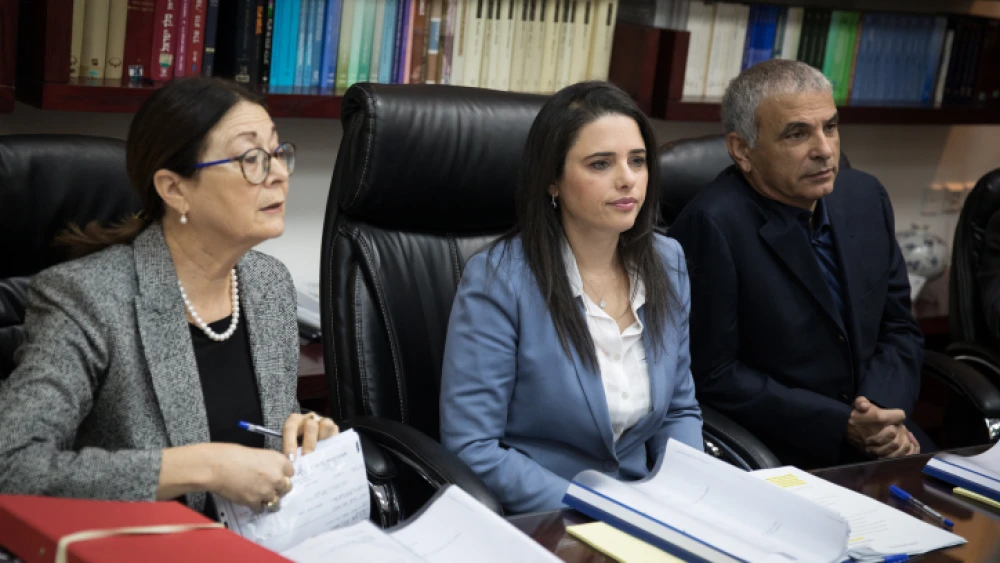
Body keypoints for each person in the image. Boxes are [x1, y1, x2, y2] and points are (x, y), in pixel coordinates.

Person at [0, 77, 338, 516]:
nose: (276, 174)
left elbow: (265, 433)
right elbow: (13, 466)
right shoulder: (88, 299)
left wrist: (304, 435)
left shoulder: (268, 284)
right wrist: (201, 466)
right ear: (174, 189)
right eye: (251, 158)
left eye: (277, 153)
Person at [439, 81, 703, 514]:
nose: (627, 179)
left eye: (637, 161)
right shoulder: (498, 279)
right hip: (547, 515)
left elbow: (677, 410)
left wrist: (690, 499)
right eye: (600, 164)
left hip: (650, 509)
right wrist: (597, 508)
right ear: (553, 182)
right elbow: (474, 447)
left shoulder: (667, 261)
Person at [669, 59, 929, 469]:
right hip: (781, 447)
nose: (824, 150)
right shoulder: (712, 225)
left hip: (883, 430)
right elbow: (714, 374)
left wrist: (880, 414)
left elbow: (898, 327)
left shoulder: (864, 197)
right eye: (797, 134)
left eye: (830, 126)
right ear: (743, 150)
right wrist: (841, 423)